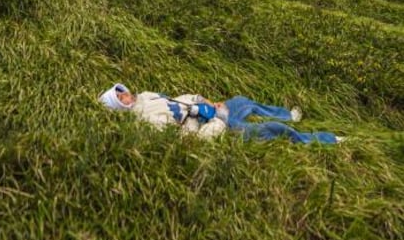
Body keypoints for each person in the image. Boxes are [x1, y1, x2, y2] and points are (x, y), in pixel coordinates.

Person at [99, 84, 344, 144]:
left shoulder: (146, 94)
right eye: (120, 98)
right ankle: (328, 140)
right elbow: (188, 138)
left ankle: (288, 115)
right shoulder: (145, 121)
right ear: (119, 108)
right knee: (275, 132)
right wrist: (215, 123)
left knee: (241, 100)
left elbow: (180, 99)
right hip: (216, 124)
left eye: (123, 92)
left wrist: (205, 101)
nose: (126, 96)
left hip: (212, 111)